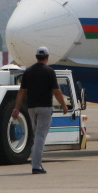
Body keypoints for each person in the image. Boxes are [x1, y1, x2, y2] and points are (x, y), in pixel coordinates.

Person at [11, 46, 67, 174]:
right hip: (45, 108)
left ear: (36, 57)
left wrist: (16, 108)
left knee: (36, 135)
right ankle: (36, 165)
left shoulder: (28, 72)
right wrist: (63, 105)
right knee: (41, 136)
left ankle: (35, 161)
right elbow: (56, 91)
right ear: (47, 57)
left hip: (31, 108)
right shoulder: (49, 72)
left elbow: (21, 91)